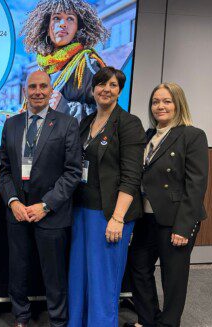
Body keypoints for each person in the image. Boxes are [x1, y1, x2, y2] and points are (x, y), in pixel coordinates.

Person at [0, 70, 82, 327]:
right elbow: (3, 169)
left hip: (51, 213)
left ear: (50, 90)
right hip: (18, 212)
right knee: (18, 270)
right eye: (32, 87)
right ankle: (21, 316)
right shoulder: (11, 124)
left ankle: (58, 320)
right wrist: (13, 202)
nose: (37, 91)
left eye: (43, 87)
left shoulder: (67, 124)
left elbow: (73, 172)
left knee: (54, 274)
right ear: (25, 90)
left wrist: (46, 205)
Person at [125, 83, 209, 327]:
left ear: (178, 104)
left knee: (173, 278)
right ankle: (149, 319)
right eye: (155, 102)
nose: (160, 106)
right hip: (146, 217)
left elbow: (196, 186)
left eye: (166, 101)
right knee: (138, 268)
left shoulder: (192, 135)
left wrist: (184, 227)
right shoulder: (148, 136)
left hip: (175, 218)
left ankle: (168, 324)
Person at [68, 66, 146, 327]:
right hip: (81, 210)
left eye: (112, 85)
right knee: (79, 277)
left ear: (119, 91)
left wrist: (118, 218)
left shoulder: (129, 124)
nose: (106, 89)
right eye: (101, 84)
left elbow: (132, 176)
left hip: (109, 214)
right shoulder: (86, 122)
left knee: (103, 280)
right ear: (93, 89)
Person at [21, 0, 108, 121]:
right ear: (46, 25)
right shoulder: (43, 68)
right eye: (56, 18)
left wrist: (65, 107)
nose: (63, 24)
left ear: (79, 27)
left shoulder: (88, 65)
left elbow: (107, 115)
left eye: (70, 19)